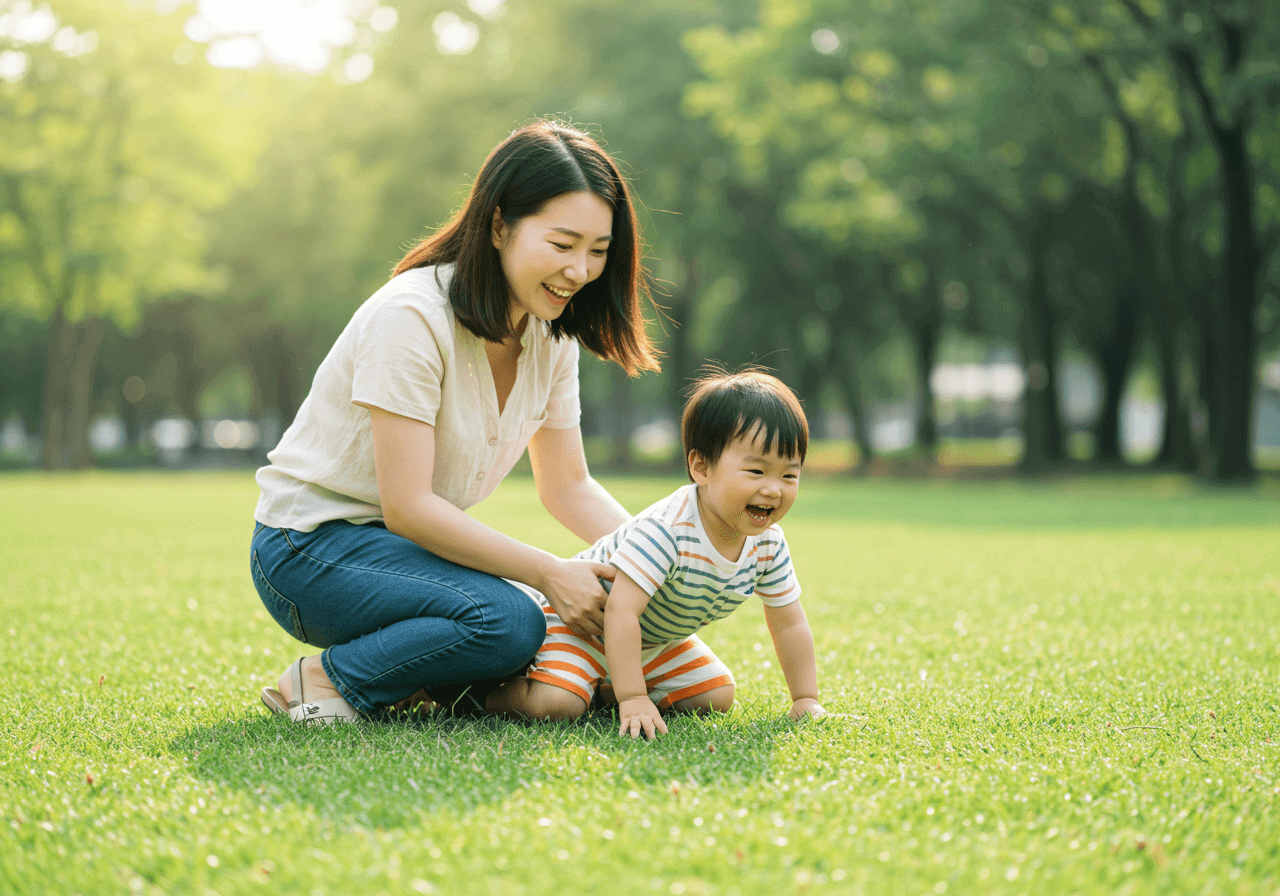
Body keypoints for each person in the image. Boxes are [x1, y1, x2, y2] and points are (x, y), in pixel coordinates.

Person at [251, 119, 659, 723]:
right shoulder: (412, 317)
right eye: (563, 245)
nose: (580, 271)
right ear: (498, 226)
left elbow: (568, 485)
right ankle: (323, 679)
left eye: (598, 251)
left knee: (529, 621)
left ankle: (418, 681)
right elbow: (408, 507)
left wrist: (655, 565)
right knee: (511, 618)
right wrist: (551, 573)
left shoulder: (551, 336)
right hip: (308, 550)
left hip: (405, 555)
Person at [488, 370, 827, 738]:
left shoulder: (768, 544)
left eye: (789, 475)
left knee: (715, 696)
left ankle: (600, 688)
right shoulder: (668, 530)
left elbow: (788, 621)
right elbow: (621, 612)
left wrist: (805, 698)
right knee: (557, 705)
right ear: (701, 467)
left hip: (653, 642)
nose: (774, 490)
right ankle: (484, 694)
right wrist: (633, 698)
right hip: (583, 626)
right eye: (756, 470)